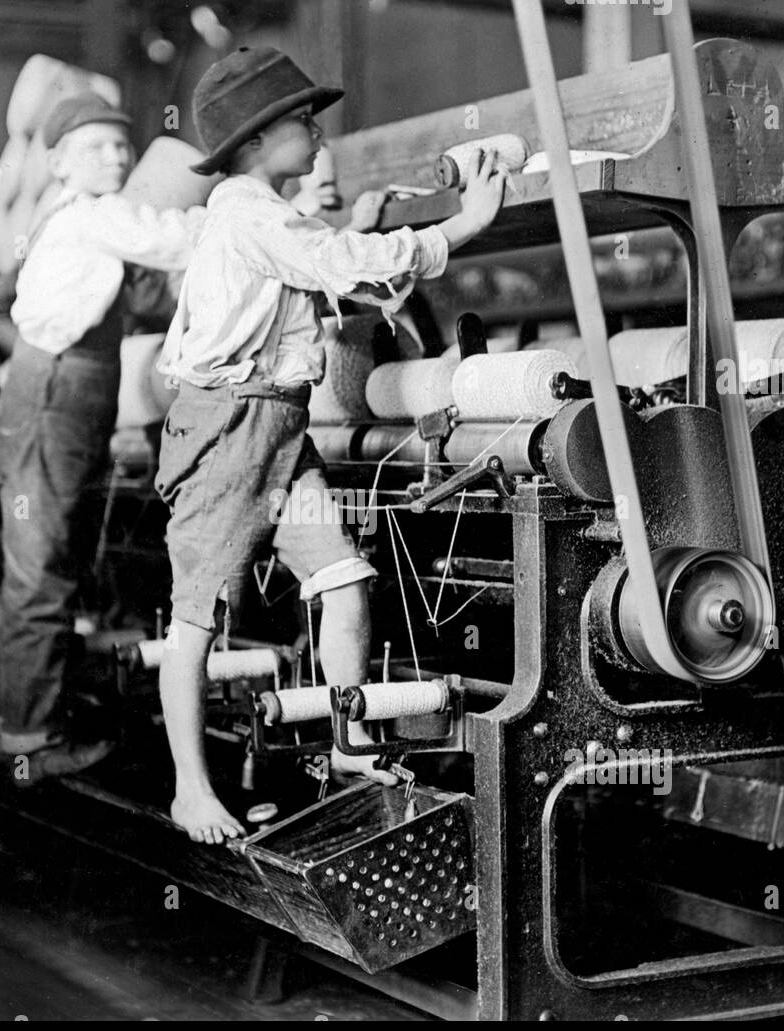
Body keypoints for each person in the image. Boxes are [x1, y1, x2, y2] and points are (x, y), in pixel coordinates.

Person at [155, 47, 505, 842]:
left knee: (344, 578)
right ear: (252, 142)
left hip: (280, 425)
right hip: (228, 430)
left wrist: (388, 233)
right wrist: (463, 225)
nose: (318, 134)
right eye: (301, 121)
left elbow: (342, 261)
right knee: (197, 621)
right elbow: (345, 263)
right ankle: (189, 789)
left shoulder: (267, 212)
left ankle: (348, 742)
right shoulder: (248, 211)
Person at [0, 93, 204, 784]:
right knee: (44, 571)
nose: (115, 156)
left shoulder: (77, 222)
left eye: (119, 145)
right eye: (95, 147)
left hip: (57, 392)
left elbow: (141, 298)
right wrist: (248, 210)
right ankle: (33, 741)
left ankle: (4, 721)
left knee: (40, 567)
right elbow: (176, 238)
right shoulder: (95, 215)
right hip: (58, 395)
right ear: (58, 162)